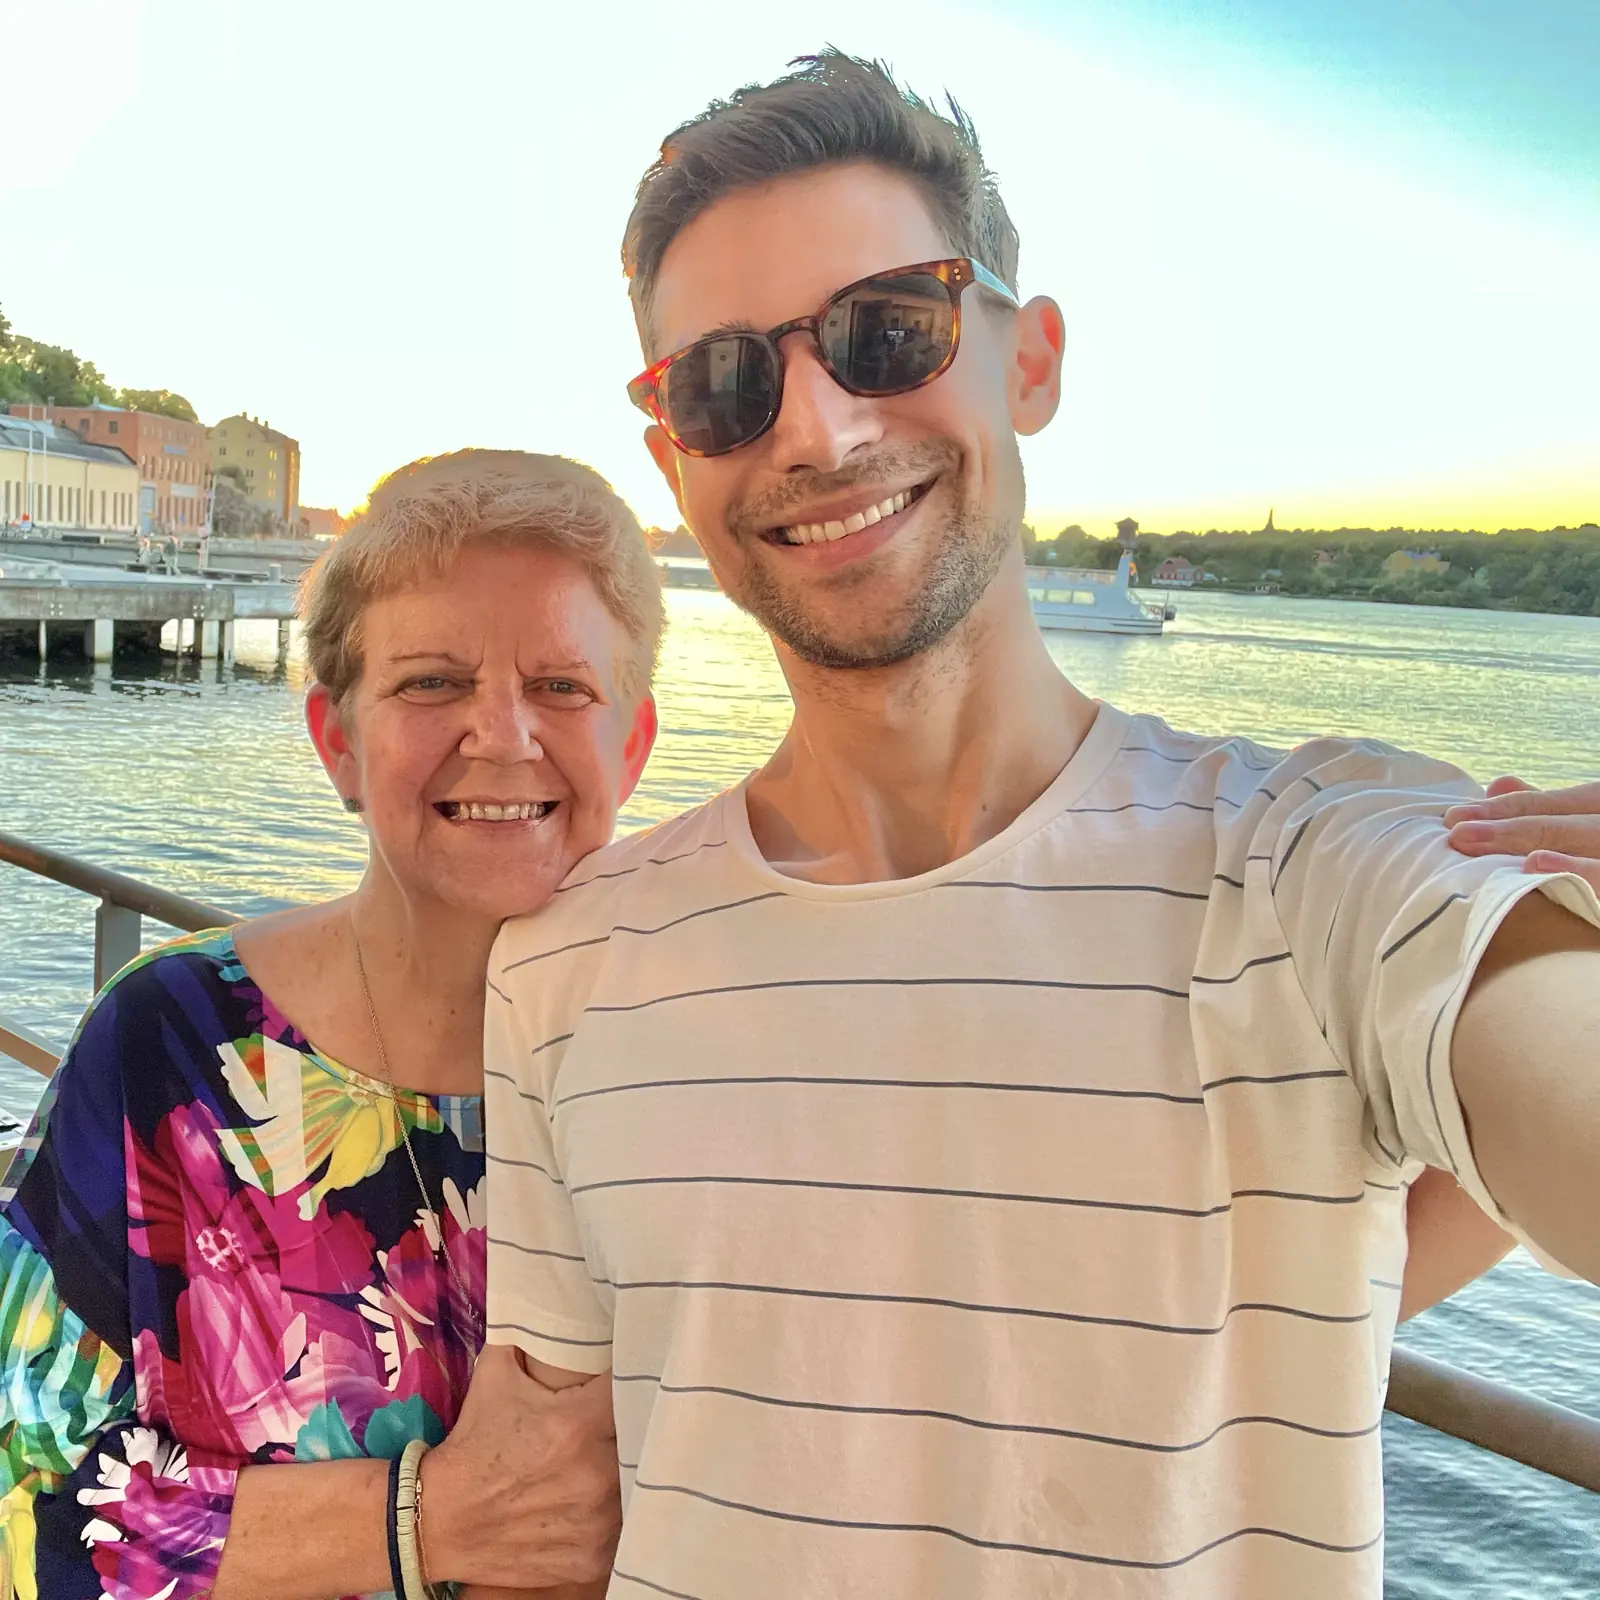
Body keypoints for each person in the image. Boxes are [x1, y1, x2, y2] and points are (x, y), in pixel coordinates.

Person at [482, 54, 1600, 1600]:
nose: (813, 425)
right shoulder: (569, 964)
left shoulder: (1310, 860)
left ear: (1030, 360)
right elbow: (551, 1502)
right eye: (724, 382)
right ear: (675, 457)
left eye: (890, 329)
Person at [0, 450, 660, 1600]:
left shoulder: (705, 1072)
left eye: (562, 687)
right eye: (431, 682)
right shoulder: (169, 1053)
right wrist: (424, 1523)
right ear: (336, 740)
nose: (502, 735)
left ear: (633, 742)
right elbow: (22, 1493)